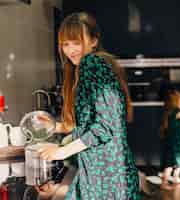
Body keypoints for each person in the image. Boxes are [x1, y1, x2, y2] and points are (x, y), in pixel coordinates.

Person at [38, 12, 140, 200]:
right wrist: (55, 127)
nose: (70, 50)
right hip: (104, 173)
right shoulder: (92, 66)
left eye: (76, 42)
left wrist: (61, 152)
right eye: (66, 44)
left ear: (93, 41)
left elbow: (105, 127)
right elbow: (89, 125)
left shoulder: (91, 63)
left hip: (105, 176)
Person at [159, 90, 180, 189]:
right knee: (172, 162)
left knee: (175, 160)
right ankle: (164, 183)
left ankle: (176, 178)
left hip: (171, 140)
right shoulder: (177, 112)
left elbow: (164, 127)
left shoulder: (167, 112)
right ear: (176, 102)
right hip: (178, 140)